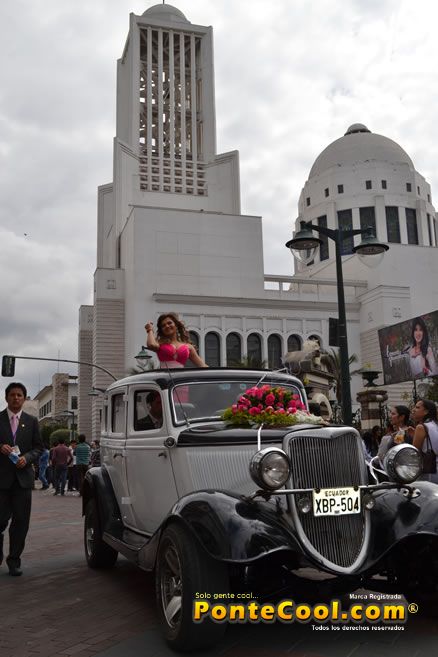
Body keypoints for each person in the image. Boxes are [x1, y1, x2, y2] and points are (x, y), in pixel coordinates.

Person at [0, 382, 43, 576]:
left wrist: (27, 458)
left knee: (21, 522)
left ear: (24, 399)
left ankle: (14, 560)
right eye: (12, 395)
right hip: (1, 480)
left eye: (19, 395)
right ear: (6, 397)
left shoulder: (32, 421)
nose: (16, 398)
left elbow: (39, 448)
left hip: (23, 480)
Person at [411, 399, 438, 483]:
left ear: (426, 411)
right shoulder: (435, 425)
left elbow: (414, 453)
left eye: (417, 407)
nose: (413, 410)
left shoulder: (421, 427)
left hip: (428, 473)